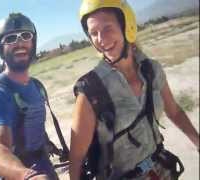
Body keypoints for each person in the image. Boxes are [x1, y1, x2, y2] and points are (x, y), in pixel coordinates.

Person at [69, 0, 199, 179]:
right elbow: (76, 158)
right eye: (93, 33)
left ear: (126, 25)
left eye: (107, 28)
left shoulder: (151, 70)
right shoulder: (91, 91)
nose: (101, 39)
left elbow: (174, 112)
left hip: (161, 169)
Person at [0, 12, 58, 180]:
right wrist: (27, 175)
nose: (20, 43)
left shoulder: (36, 86)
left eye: (25, 35)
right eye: (10, 39)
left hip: (45, 166)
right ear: (1, 48)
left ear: (33, 42)